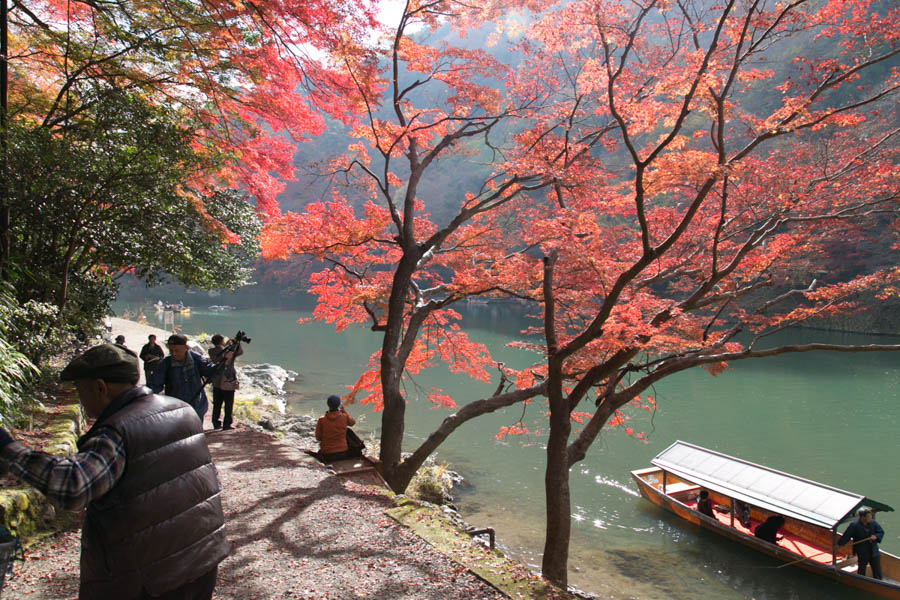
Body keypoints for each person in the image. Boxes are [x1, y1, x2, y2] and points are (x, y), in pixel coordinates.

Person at [0, 344, 228, 599]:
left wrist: (8, 448)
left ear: (100, 387)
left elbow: (74, 486)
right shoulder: (183, 411)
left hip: (147, 580)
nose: (80, 399)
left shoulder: (117, 431)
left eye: (80, 389)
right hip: (201, 561)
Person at [148, 334, 226, 421]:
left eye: (177, 350)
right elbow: (155, 384)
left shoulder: (196, 359)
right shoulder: (166, 364)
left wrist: (224, 363)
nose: (174, 353)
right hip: (175, 409)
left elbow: (210, 372)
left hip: (197, 407)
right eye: (171, 350)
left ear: (186, 347)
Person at [837, 507, 884, 579]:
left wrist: (876, 537)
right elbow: (846, 536)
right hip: (862, 551)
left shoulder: (873, 523)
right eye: (868, 516)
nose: (870, 517)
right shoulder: (854, 526)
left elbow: (880, 532)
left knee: (877, 569)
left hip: (873, 550)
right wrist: (840, 544)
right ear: (862, 517)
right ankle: (861, 581)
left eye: (870, 516)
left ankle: (878, 582)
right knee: (862, 568)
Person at [208, 334, 243, 430]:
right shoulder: (227, 351)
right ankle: (227, 424)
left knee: (217, 404)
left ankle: (216, 423)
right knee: (228, 404)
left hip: (216, 382)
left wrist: (228, 346)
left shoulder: (211, 351)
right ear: (221, 341)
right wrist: (236, 343)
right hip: (228, 381)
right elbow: (239, 352)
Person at [315, 395, 363, 462]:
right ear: (339, 405)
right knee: (348, 431)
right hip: (343, 453)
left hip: (327, 454)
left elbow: (318, 437)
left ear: (328, 405)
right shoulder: (344, 417)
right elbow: (352, 423)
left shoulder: (322, 420)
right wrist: (344, 411)